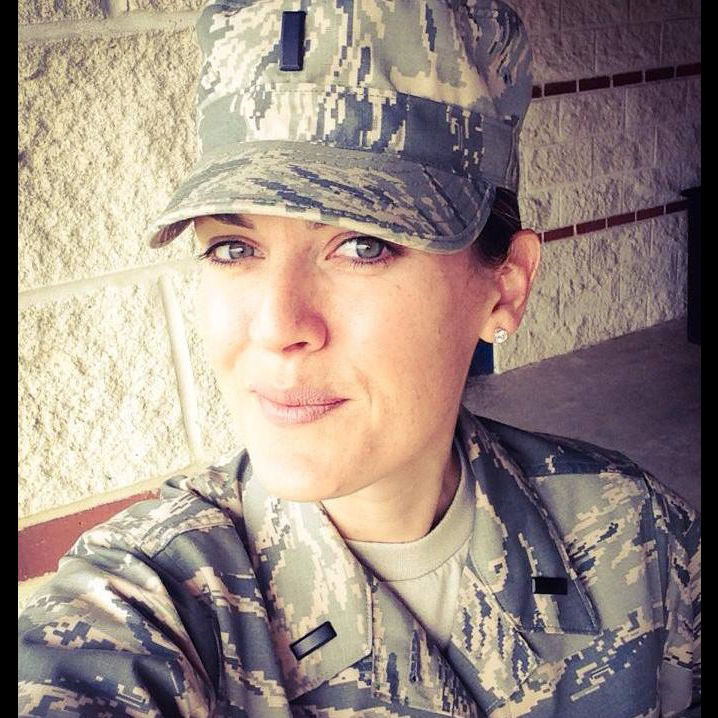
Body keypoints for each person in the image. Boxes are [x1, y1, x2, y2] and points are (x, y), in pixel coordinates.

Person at [18, 1, 700, 716]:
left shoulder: (640, 538)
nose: (277, 327)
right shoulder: (151, 603)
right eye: (234, 248)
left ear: (505, 287)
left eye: (363, 245)